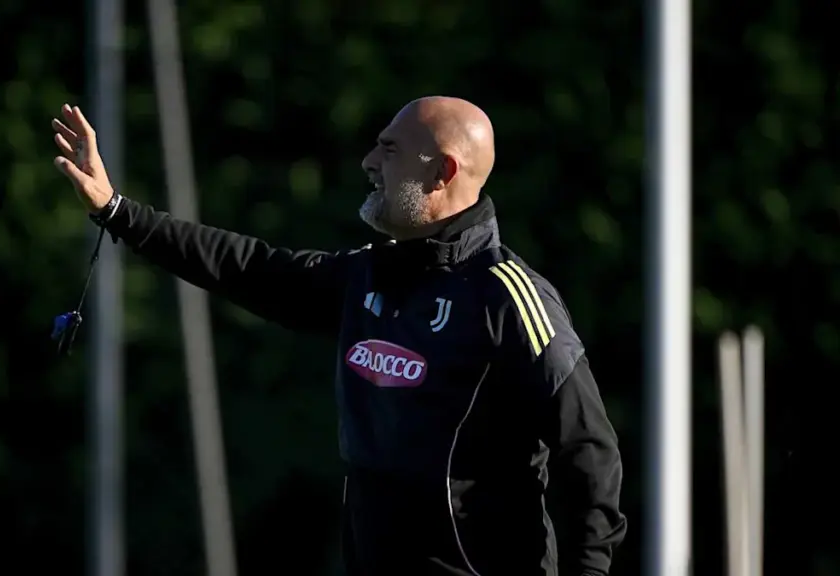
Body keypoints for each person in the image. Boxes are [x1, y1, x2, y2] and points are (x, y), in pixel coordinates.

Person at [51, 96, 627, 576]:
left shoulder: (510, 299)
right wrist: (116, 210)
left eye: (389, 149)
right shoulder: (371, 273)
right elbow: (248, 268)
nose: (369, 162)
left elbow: (589, 453)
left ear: (443, 172)